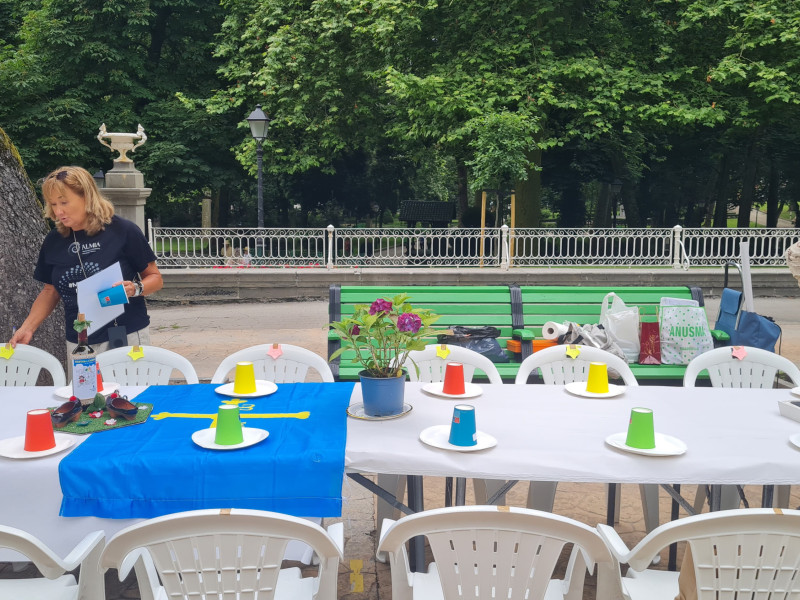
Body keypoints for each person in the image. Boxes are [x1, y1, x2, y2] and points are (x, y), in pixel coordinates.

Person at [10, 166, 163, 354]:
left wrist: (135, 288)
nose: (58, 211)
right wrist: (27, 328)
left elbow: (155, 278)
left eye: (64, 202)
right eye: (53, 204)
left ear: (86, 197)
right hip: (79, 341)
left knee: (128, 385)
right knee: (83, 385)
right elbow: (50, 291)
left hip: (126, 334)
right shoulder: (54, 240)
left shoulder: (123, 230)